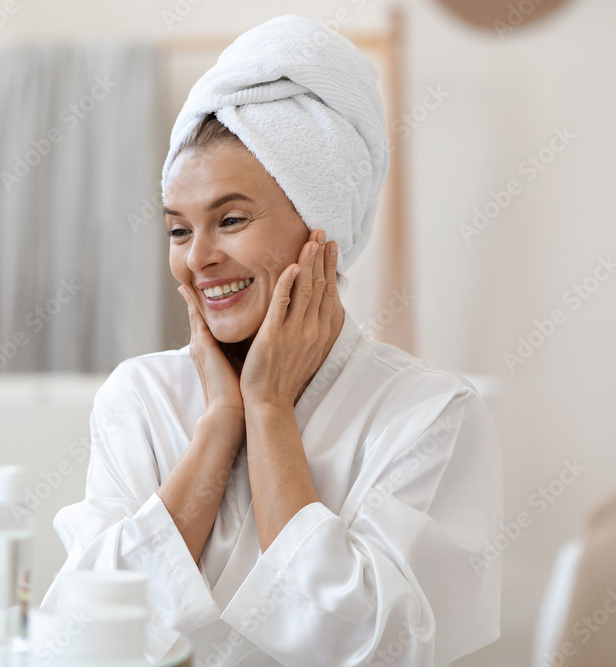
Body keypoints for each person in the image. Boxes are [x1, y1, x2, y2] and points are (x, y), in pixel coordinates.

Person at [41, 15, 502, 666]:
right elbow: (82, 634)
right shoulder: (140, 398)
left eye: (230, 219)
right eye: (178, 230)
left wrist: (268, 410)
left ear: (321, 229)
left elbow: (379, 649)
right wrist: (220, 424)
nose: (197, 258)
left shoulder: (431, 416)